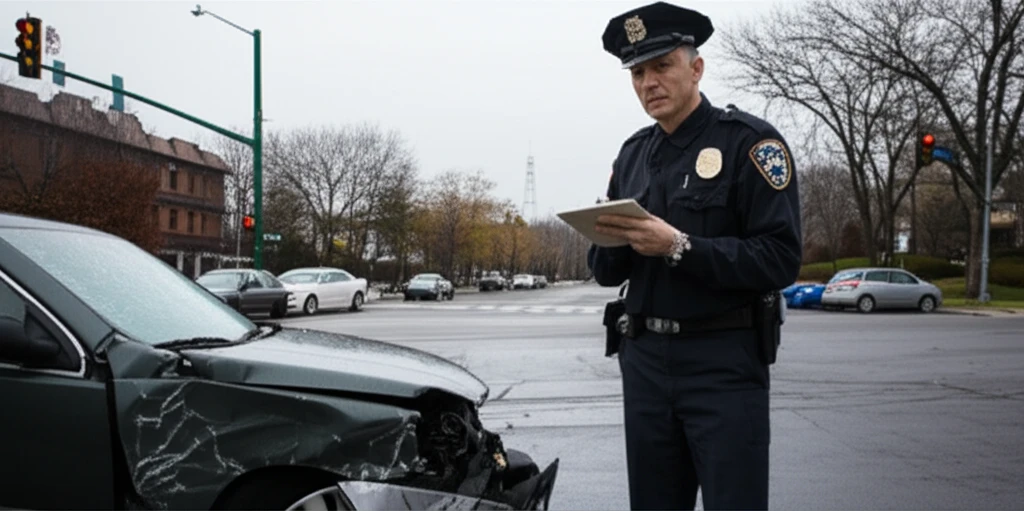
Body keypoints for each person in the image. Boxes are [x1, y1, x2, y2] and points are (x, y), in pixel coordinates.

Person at [587, 2, 803, 510]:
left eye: (661, 66)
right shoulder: (633, 153)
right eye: (637, 72)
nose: (648, 83)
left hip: (722, 363)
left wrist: (680, 247)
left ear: (696, 68)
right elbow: (605, 273)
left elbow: (779, 258)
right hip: (643, 361)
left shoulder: (751, 144)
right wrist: (604, 233)